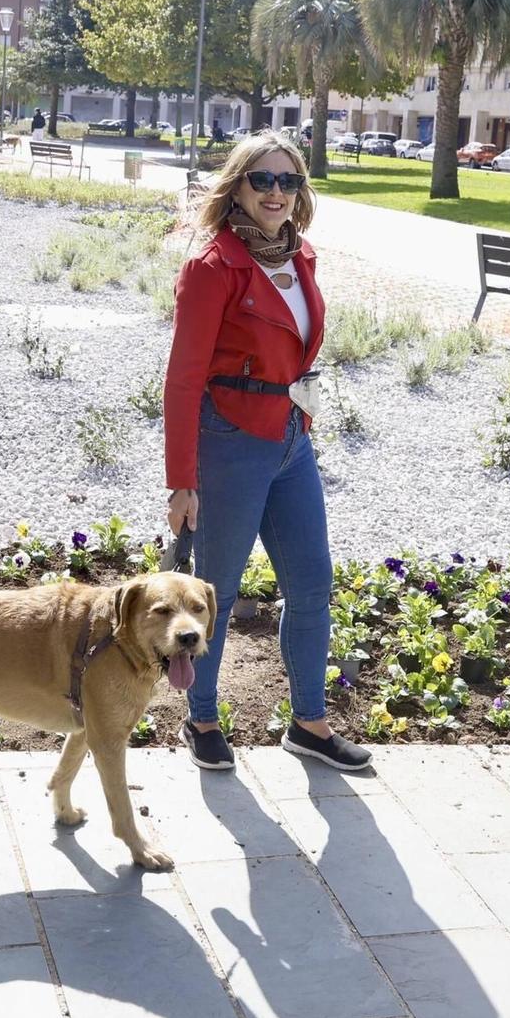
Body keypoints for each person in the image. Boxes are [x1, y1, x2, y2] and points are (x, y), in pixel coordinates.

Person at [164, 130, 371, 774]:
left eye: (290, 181)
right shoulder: (213, 265)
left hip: (290, 438)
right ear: (237, 188)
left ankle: (309, 723)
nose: (277, 192)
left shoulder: (298, 255)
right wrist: (182, 480)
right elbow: (182, 377)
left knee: (312, 583)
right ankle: (201, 717)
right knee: (213, 594)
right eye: (263, 180)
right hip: (228, 438)